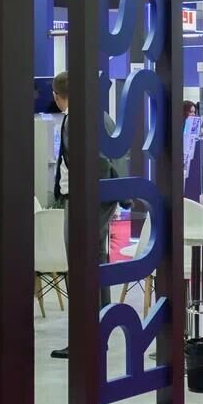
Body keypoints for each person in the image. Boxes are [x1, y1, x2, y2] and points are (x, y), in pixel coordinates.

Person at [49, 71, 128, 359]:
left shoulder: (77, 119)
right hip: (99, 200)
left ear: (57, 96)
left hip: (85, 202)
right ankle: (97, 334)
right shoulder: (100, 115)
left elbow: (96, 163)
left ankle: (85, 339)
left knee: (82, 267)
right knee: (96, 264)